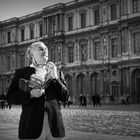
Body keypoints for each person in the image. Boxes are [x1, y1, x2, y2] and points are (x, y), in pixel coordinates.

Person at [6, 41, 68, 140]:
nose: (45, 51)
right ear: (31, 54)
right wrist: (30, 94)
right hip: (31, 125)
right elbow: (10, 97)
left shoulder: (57, 72)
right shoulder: (22, 73)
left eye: (46, 49)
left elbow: (64, 97)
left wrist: (56, 78)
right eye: (41, 48)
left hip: (55, 126)